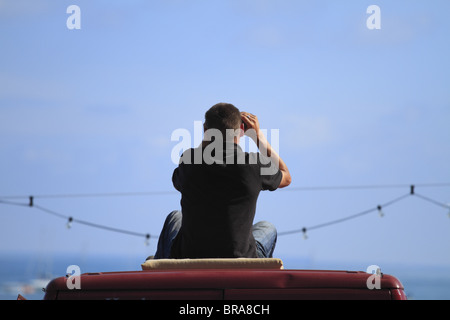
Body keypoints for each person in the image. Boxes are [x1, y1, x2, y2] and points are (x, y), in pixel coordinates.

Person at [154, 103, 291, 259]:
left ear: (205, 130)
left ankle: (159, 274)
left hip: (190, 256)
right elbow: (286, 177)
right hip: (240, 258)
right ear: (241, 131)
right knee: (268, 227)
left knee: (175, 217)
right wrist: (258, 137)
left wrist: (207, 137)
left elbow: (177, 181)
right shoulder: (254, 164)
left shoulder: (189, 161)